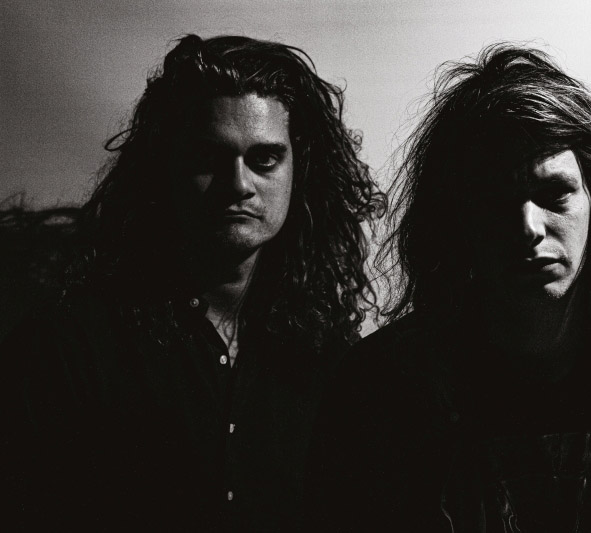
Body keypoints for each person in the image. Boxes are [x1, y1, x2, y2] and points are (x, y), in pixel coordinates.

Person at [305, 44, 591, 531]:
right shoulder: (378, 389)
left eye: (554, 193)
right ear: (457, 217)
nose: (528, 228)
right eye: (496, 199)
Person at [1, 34, 384, 530]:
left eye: (264, 159)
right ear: (167, 166)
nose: (239, 185)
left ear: (299, 169)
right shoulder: (71, 346)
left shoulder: (325, 355)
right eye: (209, 158)